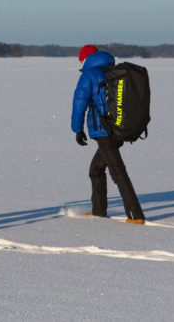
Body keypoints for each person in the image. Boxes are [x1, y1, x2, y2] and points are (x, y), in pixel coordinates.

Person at [71, 45, 145, 224]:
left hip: (103, 130)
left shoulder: (89, 75)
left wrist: (77, 129)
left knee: (117, 171)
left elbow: (79, 102)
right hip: (119, 128)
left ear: (86, 59)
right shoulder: (113, 70)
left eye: (81, 59)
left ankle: (135, 215)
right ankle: (98, 211)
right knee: (96, 169)